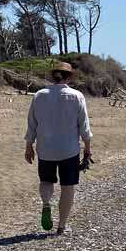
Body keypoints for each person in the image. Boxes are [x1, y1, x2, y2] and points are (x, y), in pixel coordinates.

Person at [24, 61, 92, 235]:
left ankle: (46, 203)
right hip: (69, 150)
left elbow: (32, 123)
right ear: (69, 77)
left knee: (46, 181)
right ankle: (61, 226)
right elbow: (84, 126)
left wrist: (29, 146)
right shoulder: (77, 96)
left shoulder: (39, 95)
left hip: (45, 149)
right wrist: (87, 148)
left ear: (53, 76)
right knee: (68, 187)